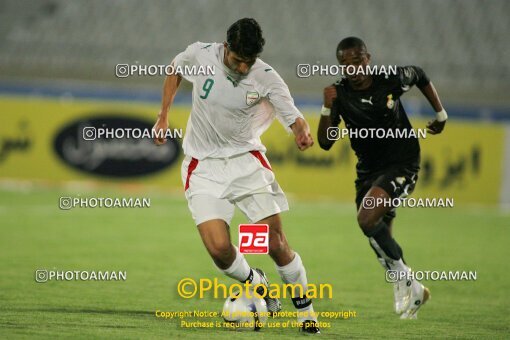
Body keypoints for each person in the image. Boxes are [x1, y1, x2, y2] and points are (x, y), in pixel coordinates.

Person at [153, 18, 319, 333]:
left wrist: (302, 133)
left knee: (275, 243)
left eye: (249, 62)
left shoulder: (266, 78)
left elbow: (293, 116)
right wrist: (163, 116)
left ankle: (306, 313)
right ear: (226, 47)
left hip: (246, 163)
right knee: (218, 249)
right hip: (203, 167)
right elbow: (174, 70)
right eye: (238, 60)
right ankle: (255, 281)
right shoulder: (200, 55)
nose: (243, 68)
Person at [317, 37, 447, 319]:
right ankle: (411, 288)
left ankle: (407, 280)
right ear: (341, 65)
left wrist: (441, 114)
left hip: (402, 163)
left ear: (368, 58)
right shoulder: (339, 94)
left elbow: (420, 75)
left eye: (358, 60)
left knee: (366, 219)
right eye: (346, 64)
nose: (354, 68)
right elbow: (325, 143)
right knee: (377, 234)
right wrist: (326, 109)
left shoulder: (390, 80)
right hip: (368, 171)